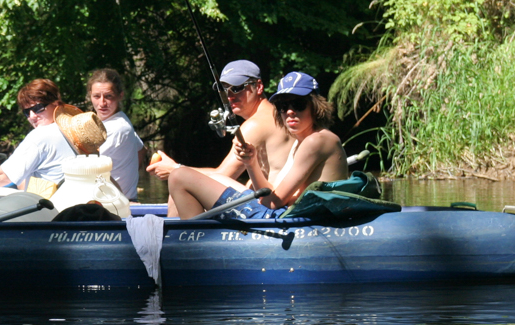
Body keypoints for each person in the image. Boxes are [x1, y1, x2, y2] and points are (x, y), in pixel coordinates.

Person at [167, 71, 348, 218]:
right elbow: (270, 194)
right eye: (283, 107)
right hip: (278, 212)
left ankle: (192, 240)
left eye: (298, 104)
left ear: (315, 106)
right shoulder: (301, 143)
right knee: (202, 177)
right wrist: (251, 163)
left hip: (283, 219)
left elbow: (271, 202)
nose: (290, 112)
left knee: (179, 177)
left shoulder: (317, 141)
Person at [147, 60, 293, 215]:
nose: (229, 96)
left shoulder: (254, 126)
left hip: (271, 208)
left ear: (258, 86)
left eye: (237, 88)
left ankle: (177, 230)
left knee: (179, 183)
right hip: (275, 202)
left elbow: (222, 175)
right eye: (224, 90)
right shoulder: (276, 115)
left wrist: (174, 169)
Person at [0, 79, 76, 194]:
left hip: (51, 203)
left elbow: (2, 176)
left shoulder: (41, 135)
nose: (32, 116)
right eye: (27, 112)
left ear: (56, 104)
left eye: (38, 108)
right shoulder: (73, 128)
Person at [87, 68, 145, 200]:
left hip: (113, 204)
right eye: (96, 96)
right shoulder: (120, 119)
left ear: (120, 96)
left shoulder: (117, 128)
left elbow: (88, 168)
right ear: (90, 95)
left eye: (108, 96)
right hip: (117, 200)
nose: (102, 103)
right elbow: (141, 150)